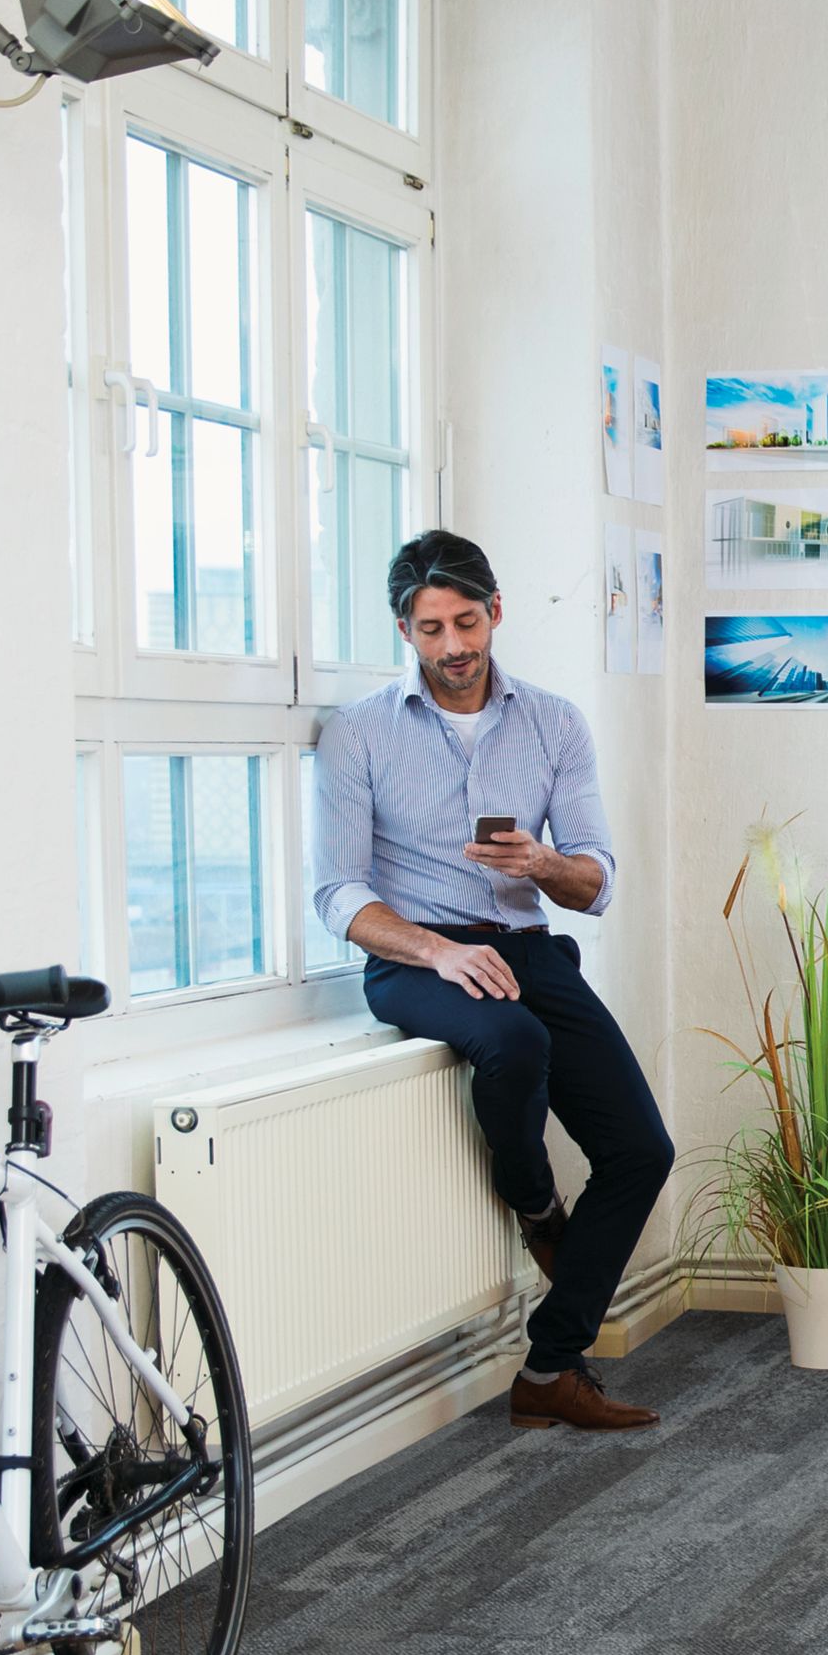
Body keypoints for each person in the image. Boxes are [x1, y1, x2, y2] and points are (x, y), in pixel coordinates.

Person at [311, 530, 674, 1433]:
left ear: (496, 612)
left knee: (641, 1150)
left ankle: (551, 1365)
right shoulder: (358, 733)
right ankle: (539, 1203)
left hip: (527, 945)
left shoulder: (554, 723)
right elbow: (337, 892)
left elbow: (596, 881)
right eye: (430, 629)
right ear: (407, 630)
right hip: (414, 957)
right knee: (515, 1040)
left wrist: (544, 861)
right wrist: (434, 951)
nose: (452, 646)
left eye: (465, 621)